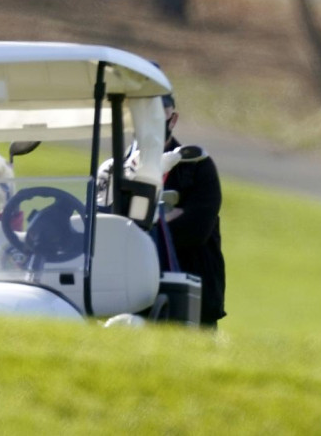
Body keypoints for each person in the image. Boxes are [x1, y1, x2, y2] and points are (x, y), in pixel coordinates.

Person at [95, 94, 228, 328]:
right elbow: (104, 226)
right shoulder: (114, 169)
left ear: (172, 119)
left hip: (190, 292)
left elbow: (196, 229)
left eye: (158, 113)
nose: (149, 119)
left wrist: (140, 224)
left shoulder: (196, 165)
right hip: (127, 289)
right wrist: (164, 218)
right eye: (142, 112)